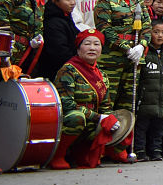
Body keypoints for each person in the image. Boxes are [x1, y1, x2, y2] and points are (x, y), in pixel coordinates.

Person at [92, 0, 148, 161]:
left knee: (129, 102)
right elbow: (104, 29)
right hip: (112, 60)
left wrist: (142, 45)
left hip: (134, 60)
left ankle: (120, 147)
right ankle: (100, 148)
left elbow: (147, 26)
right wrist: (126, 48)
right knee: (108, 102)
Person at [49, 28, 122, 169]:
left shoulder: (102, 75)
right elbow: (66, 103)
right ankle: (58, 155)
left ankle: (87, 153)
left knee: (116, 121)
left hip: (91, 120)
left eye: (97, 44)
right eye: (87, 44)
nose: (92, 48)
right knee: (77, 118)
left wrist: (108, 119)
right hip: (69, 119)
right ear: (78, 48)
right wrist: (98, 117)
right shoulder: (68, 70)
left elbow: (105, 106)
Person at [134, 18, 163, 161]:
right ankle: (140, 150)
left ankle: (156, 151)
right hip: (146, 99)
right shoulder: (145, 52)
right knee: (141, 127)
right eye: (156, 32)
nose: (159, 36)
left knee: (158, 128)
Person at [35, 0, 79, 80]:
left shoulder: (65, 16)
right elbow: (60, 52)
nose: (73, 2)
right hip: (57, 73)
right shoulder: (53, 22)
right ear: (55, 1)